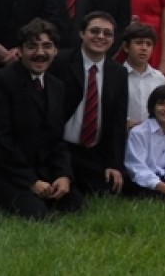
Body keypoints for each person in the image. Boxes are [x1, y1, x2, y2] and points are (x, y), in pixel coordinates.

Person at [0, 19, 83, 219]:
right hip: (3, 174)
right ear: (19, 51)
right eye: (32, 47)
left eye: (47, 46)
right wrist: (31, 181)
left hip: (40, 172)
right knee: (37, 214)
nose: (40, 53)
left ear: (56, 51)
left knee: (73, 203)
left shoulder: (57, 86)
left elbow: (57, 139)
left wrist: (63, 175)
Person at [51, 12, 130, 196]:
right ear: (81, 34)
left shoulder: (118, 73)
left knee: (107, 191)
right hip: (62, 147)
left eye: (107, 33)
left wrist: (114, 164)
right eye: (94, 31)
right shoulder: (61, 62)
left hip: (92, 151)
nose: (100, 37)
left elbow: (117, 123)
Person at [124, 84, 165, 201]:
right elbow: (137, 168)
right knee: (150, 194)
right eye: (161, 104)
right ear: (153, 107)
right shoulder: (138, 132)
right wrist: (164, 188)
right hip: (141, 179)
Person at [123, 24, 165, 128]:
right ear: (126, 47)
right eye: (139, 43)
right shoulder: (117, 76)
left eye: (149, 44)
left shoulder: (159, 79)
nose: (144, 48)